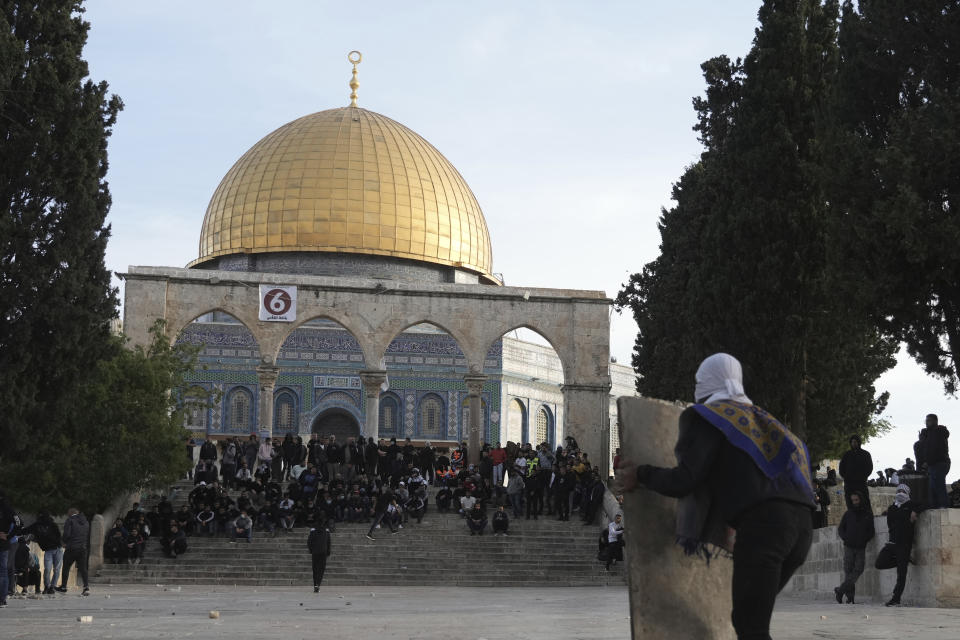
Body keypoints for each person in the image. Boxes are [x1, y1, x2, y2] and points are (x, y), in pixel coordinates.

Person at [616, 353, 815, 640]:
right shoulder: (766, 422)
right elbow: (754, 479)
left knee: (751, 626)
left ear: (706, 381)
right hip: (802, 530)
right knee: (750, 620)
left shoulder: (709, 417)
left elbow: (686, 479)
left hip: (765, 527)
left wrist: (641, 474)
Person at [875, 484, 924, 606]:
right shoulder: (892, 508)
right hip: (891, 543)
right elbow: (890, 524)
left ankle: (896, 599)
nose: (900, 493)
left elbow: (927, 504)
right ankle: (904, 560)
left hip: (904, 544)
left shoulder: (911, 504)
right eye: (899, 490)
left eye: (903, 491)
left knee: (901, 574)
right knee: (879, 563)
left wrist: (915, 511)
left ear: (907, 493)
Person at [834, 490, 874, 604]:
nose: (855, 502)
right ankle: (850, 598)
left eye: (856, 500)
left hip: (861, 547)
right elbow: (841, 528)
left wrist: (864, 539)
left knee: (858, 570)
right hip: (849, 546)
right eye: (853, 500)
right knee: (848, 571)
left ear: (861, 500)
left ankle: (840, 590)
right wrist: (846, 538)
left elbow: (871, 531)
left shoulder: (867, 514)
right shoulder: (848, 514)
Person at [23, 511, 62, 595]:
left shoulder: (53, 525)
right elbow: (26, 530)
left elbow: (59, 536)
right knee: (47, 569)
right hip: (48, 550)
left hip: (57, 549)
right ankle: (47, 587)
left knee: (57, 570)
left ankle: (52, 587)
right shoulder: (36, 526)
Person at [58, 508, 90, 596]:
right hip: (82, 548)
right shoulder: (86, 522)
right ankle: (86, 587)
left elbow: (67, 534)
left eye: (68, 513)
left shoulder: (70, 520)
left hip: (71, 548)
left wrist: (64, 541)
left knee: (66, 567)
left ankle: (63, 587)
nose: (67, 514)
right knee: (83, 568)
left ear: (71, 513)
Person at [923, 414, 951, 509]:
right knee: (933, 487)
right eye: (926, 421)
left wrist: (929, 461)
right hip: (934, 464)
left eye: (928, 421)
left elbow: (936, 450)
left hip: (939, 463)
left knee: (939, 486)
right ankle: (936, 506)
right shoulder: (931, 434)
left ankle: (943, 506)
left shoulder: (938, 432)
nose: (926, 423)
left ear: (935, 421)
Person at [839, 435, 873, 510]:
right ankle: (852, 517)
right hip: (849, 483)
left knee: (864, 500)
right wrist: (846, 477)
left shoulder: (865, 454)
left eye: (855, 442)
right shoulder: (847, 455)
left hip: (861, 482)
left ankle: (866, 516)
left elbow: (869, 468)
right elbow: (841, 467)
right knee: (850, 501)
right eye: (852, 442)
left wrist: (862, 477)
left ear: (859, 443)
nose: (854, 444)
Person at [307, 524, 332, 592]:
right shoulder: (326, 532)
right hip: (323, 552)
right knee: (321, 569)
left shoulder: (313, 531)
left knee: (315, 568)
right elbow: (328, 542)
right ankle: (318, 584)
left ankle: (315, 584)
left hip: (315, 552)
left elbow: (309, 541)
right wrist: (328, 552)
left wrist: (311, 550)